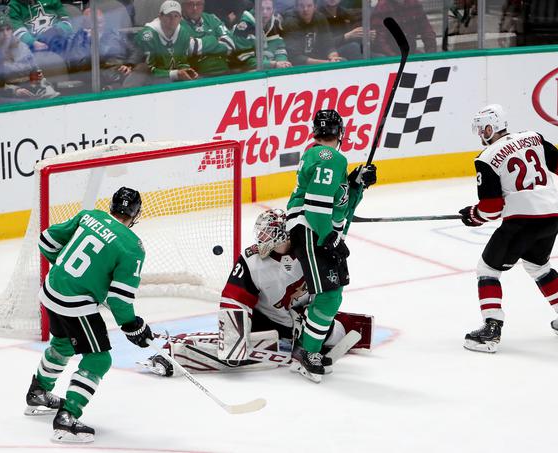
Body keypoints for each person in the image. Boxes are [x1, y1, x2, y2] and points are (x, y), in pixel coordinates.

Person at [138, 208, 373, 377]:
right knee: (233, 356)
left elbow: (340, 218)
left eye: (268, 237)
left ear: (283, 235)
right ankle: (177, 354)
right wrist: (233, 337)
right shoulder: (252, 260)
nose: (262, 242)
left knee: (338, 333)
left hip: (299, 318)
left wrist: (355, 189)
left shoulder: (309, 252)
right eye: (260, 236)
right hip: (262, 320)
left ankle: (300, 339)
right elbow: (233, 298)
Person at [23, 187, 154, 443]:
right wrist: (133, 326)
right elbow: (118, 299)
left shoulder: (89, 216)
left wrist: (68, 272)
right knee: (99, 359)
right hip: (74, 303)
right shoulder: (133, 247)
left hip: (50, 290)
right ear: (136, 213)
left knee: (62, 344)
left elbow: (47, 241)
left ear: (112, 206)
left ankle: (38, 392)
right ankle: (67, 419)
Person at [460, 104, 558, 354]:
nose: (480, 135)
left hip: (521, 222)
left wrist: (474, 215)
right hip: (550, 217)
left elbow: (492, 209)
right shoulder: (533, 138)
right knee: (539, 267)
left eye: (481, 129)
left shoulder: (486, 158)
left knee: (488, 269)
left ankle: (491, 329)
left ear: (488, 127)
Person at [285, 109, 377, 382]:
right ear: (340, 132)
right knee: (328, 294)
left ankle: (309, 345)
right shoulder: (331, 157)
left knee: (331, 293)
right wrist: (328, 237)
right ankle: (306, 351)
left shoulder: (323, 158)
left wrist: (356, 182)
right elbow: (315, 206)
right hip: (312, 229)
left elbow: (338, 205)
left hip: (316, 229)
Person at [0, 11, 59, 103]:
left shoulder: (22, 46)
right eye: (1, 30)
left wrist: (36, 84)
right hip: (10, 94)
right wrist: (16, 91)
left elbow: (34, 70)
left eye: (8, 29)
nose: (5, 33)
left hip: (30, 88)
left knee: (53, 98)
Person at [127, 0, 199, 86]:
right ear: (160, 16)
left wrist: (186, 71)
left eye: (176, 16)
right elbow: (146, 71)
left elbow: (182, 62)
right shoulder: (148, 36)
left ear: (180, 18)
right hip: (144, 83)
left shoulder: (184, 34)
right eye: (168, 15)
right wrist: (176, 74)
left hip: (170, 80)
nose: (172, 19)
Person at [231, 0, 291, 71]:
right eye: (261, 9)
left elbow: (280, 49)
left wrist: (282, 62)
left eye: (268, 8)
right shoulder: (243, 28)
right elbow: (246, 60)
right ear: (255, 9)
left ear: (273, 10)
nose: (265, 12)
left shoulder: (275, 24)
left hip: (271, 68)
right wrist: (273, 64)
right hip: (245, 73)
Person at [180, 0, 235, 76]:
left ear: (203, 5)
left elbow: (230, 44)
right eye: (190, 4)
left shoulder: (211, 18)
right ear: (183, 6)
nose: (195, 8)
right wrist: (214, 39)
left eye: (199, 4)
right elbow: (189, 48)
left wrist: (199, 43)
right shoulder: (177, 23)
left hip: (224, 70)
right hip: (197, 75)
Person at [283, 0, 343, 65]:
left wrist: (333, 57)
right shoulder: (290, 22)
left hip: (319, 57)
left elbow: (328, 44)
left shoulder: (320, 18)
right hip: (300, 65)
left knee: (351, 48)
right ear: (296, 7)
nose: (305, 9)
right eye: (301, 6)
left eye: (309, 6)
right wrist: (326, 63)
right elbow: (294, 57)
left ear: (315, 7)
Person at [371, 0, 436, 56]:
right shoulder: (382, 7)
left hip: (410, 51)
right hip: (388, 56)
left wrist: (431, 54)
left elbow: (427, 31)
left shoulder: (414, 3)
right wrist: (396, 59)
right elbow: (379, 41)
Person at [7, 0, 74, 53]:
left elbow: (66, 21)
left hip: (61, 37)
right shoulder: (13, 6)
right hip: (38, 46)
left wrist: (58, 30)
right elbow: (17, 30)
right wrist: (33, 42)